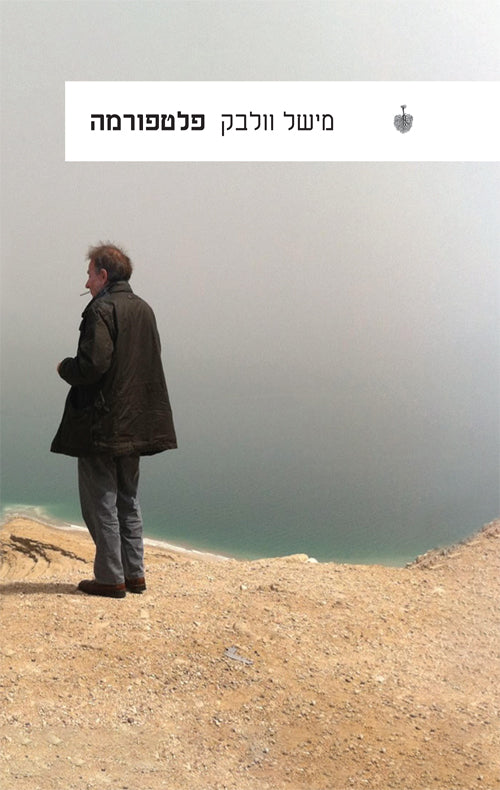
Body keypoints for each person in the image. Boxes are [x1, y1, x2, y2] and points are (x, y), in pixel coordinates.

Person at [51, 243, 177, 598]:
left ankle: (110, 578)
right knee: (128, 499)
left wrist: (65, 367)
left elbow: (93, 364)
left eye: (90, 274)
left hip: (103, 424)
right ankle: (134, 575)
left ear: (103, 275)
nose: (86, 282)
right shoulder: (144, 309)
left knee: (101, 501)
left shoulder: (101, 309)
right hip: (137, 422)